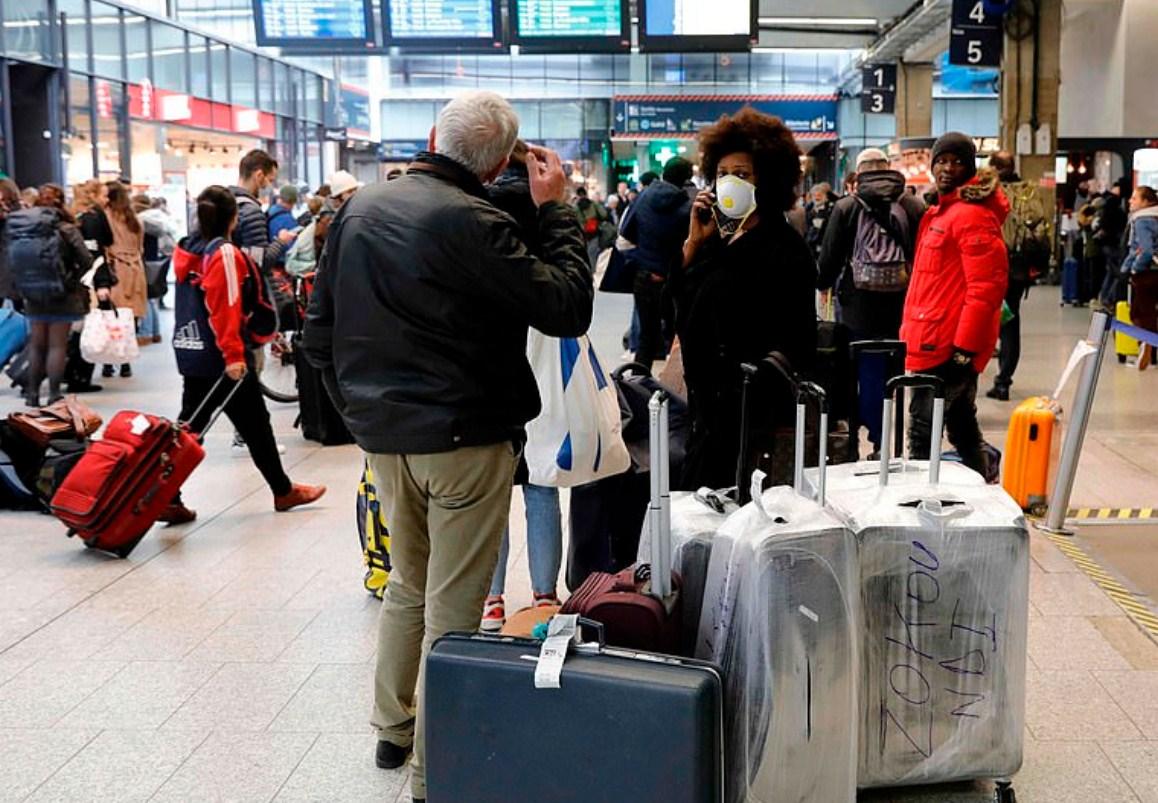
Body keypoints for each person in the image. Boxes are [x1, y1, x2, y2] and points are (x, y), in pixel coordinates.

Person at [302, 91, 592, 803]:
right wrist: (556, 211)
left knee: (408, 581)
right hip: (464, 437)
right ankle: (436, 771)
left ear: (433, 136)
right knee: (454, 607)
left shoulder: (360, 208)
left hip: (387, 438)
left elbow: (318, 333)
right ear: (499, 163)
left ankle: (392, 724)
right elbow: (566, 306)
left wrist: (362, 418)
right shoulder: (478, 220)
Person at [670, 106, 818, 491]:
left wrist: (752, 384)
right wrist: (691, 244)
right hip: (705, 407)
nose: (728, 182)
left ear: (765, 181)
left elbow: (800, 336)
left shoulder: (785, 247)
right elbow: (674, 307)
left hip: (751, 415)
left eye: (741, 175)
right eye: (721, 174)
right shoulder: (714, 239)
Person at [160, 186, 326, 525]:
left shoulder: (187, 251)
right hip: (224, 360)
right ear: (233, 219)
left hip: (195, 351)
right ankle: (160, 494)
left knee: (216, 425)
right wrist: (234, 356)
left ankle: (280, 490)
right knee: (202, 428)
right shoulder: (223, 255)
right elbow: (225, 306)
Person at [480, 139, 567, 631]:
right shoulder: (546, 212)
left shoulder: (476, 210)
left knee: (493, 487)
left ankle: (491, 600)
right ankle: (543, 596)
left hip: (493, 359)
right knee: (541, 484)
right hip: (545, 355)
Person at [901, 133, 1009, 477]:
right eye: (941, 160)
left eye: (958, 161)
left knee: (922, 432)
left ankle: (919, 501)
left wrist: (965, 346)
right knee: (961, 425)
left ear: (970, 167)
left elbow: (986, 288)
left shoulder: (970, 216)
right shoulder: (940, 212)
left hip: (946, 344)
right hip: (931, 334)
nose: (948, 168)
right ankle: (981, 485)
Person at [7, 186, 112, 406]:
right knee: (57, 346)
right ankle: (54, 394)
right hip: (63, 294)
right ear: (61, 202)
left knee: (37, 345)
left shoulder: (22, 228)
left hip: (32, 294)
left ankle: (33, 395)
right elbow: (86, 260)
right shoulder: (67, 229)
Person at [817, 147, 925, 341]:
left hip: (857, 300)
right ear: (889, 168)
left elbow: (831, 256)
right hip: (901, 299)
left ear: (858, 173)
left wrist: (823, 284)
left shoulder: (847, 206)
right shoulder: (912, 205)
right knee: (896, 355)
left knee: (858, 354)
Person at [986, 150, 1051, 400]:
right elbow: (1043, 230)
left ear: (993, 168)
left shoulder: (988, 192)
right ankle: (1003, 381)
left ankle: (969, 375)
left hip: (990, 266)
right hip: (1018, 269)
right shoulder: (1029, 193)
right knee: (1011, 322)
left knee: (982, 317)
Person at [621, 156, 693, 370]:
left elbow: (626, 231)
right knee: (674, 339)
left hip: (644, 276)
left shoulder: (643, 197)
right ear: (686, 179)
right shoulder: (688, 207)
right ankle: (673, 392)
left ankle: (637, 389)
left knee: (646, 339)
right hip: (673, 280)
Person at [102, 181, 147, 379]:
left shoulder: (106, 217)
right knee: (130, 319)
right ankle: (125, 362)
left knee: (110, 317)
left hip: (114, 270)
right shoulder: (134, 219)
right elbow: (141, 247)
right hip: (136, 271)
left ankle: (109, 363)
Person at [1121, 185, 1158, 370]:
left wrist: (1134, 268)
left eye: (1134, 198)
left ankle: (1147, 346)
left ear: (1145, 202)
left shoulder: (1142, 220)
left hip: (1146, 273)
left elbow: (1145, 249)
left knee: (1140, 313)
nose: (1130, 201)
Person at [804, 182, 836, 259]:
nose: (816, 197)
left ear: (825, 197)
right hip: (811, 248)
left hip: (824, 247)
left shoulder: (830, 210)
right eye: (814, 195)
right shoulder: (808, 209)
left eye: (819, 195)